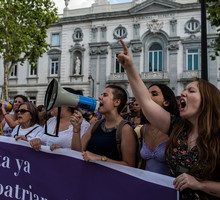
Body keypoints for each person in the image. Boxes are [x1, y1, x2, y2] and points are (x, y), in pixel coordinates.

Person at [117, 39, 220, 199]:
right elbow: (145, 100)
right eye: (184, 90)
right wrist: (129, 67)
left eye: (191, 91)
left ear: (207, 100)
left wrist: (200, 184)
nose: (183, 93)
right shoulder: (177, 128)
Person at [71, 85, 138, 167]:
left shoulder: (125, 129)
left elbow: (129, 165)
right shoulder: (96, 124)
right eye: (101, 95)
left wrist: (100, 158)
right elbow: (77, 153)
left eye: (105, 95)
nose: (99, 97)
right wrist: (76, 130)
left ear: (116, 102)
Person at [139, 83, 179, 175]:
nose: (148, 98)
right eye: (146, 94)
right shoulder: (143, 129)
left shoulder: (177, 129)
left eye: (154, 94)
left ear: (166, 102)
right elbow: (143, 163)